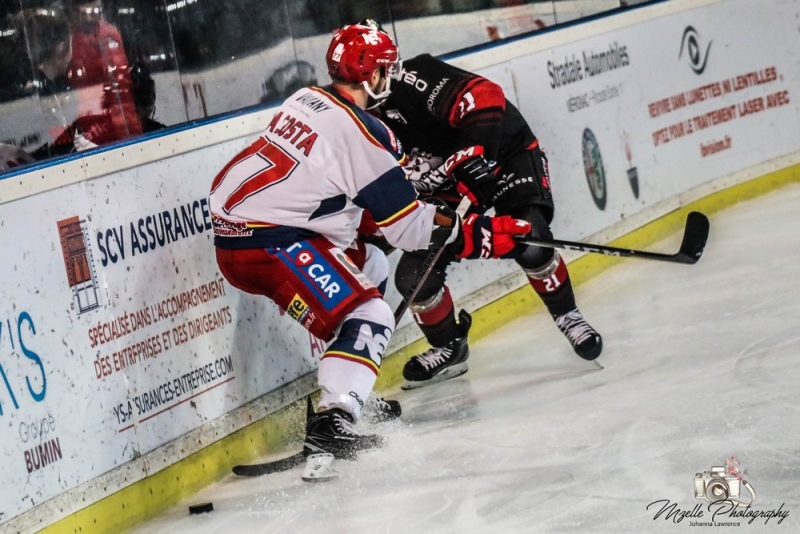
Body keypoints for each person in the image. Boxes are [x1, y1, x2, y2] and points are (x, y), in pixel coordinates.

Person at [209, 22, 532, 466]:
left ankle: (346, 393)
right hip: (267, 244)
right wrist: (484, 236)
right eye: (385, 68)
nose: (389, 76)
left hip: (240, 232)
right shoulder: (366, 135)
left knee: (373, 266)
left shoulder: (305, 99)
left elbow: (338, 195)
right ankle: (333, 421)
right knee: (370, 312)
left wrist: (413, 195)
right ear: (371, 74)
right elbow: (409, 231)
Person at [366, 20, 603, 388]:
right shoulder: (355, 121)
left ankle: (568, 315)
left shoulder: (415, 76)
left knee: (531, 239)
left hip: (503, 153)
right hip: (446, 181)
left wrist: (474, 153)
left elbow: (484, 95)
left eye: (374, 70)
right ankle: (450, 348)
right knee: (413, 277)